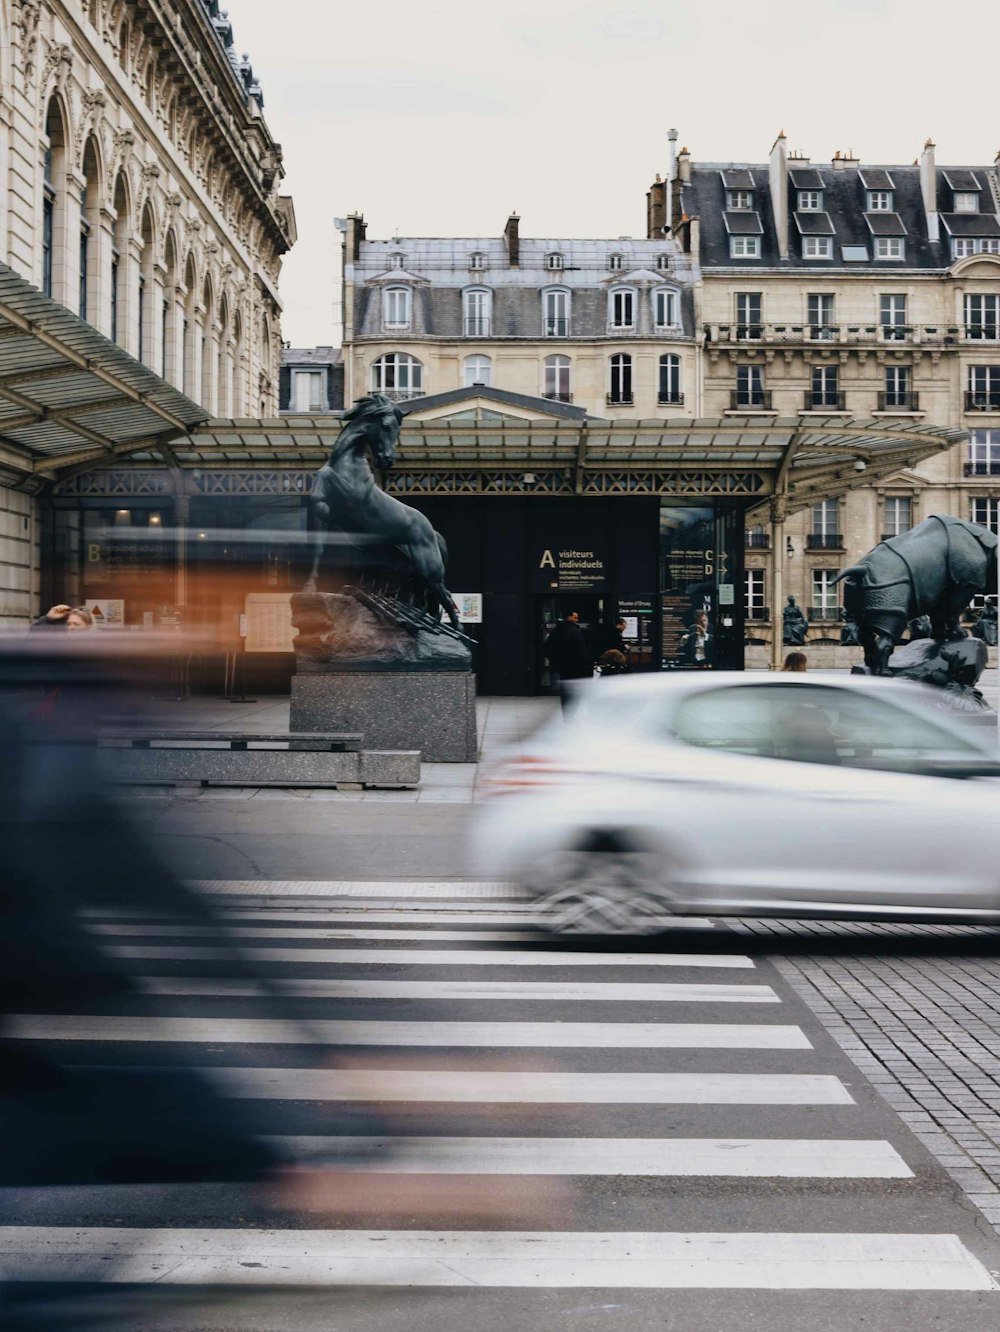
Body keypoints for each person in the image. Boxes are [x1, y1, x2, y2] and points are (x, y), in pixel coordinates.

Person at [544, 610, 593, 710]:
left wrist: (555, 661)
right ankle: (573, 714)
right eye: (575, 618)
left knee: (565, 693)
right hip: (575, 667)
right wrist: (587, 663)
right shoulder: (575, 632)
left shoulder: (556, 630)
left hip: (562, 667)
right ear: (569, 617)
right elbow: (581, 650)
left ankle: (567, 715)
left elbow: (547, 647)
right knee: (575, 693)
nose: (577, 620)